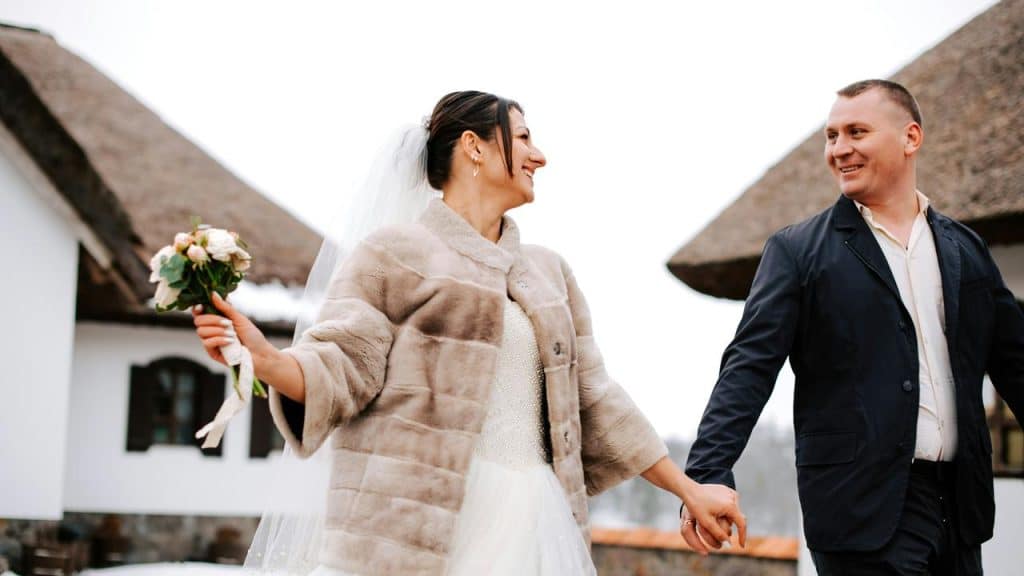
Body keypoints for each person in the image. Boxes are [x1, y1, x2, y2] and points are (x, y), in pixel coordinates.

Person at [193, 90, 746, 576]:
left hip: (532, 525)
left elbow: (597, 400)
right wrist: (266, 360)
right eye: (525, 137)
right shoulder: (394, 253)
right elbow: (342, 363)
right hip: (407, 533)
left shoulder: (550, 273)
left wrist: (690, 490)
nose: (541, 155)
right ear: (474, 147)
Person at [681, 79, 1024, 575]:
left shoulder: (966, 249)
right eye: (832, 136)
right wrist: (708, 473)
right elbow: (748, 369)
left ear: (910, 138)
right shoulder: (797, 251)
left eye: (856, 132)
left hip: (960, 508)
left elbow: (1016, 363)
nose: (839, 149)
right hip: (859, 510)